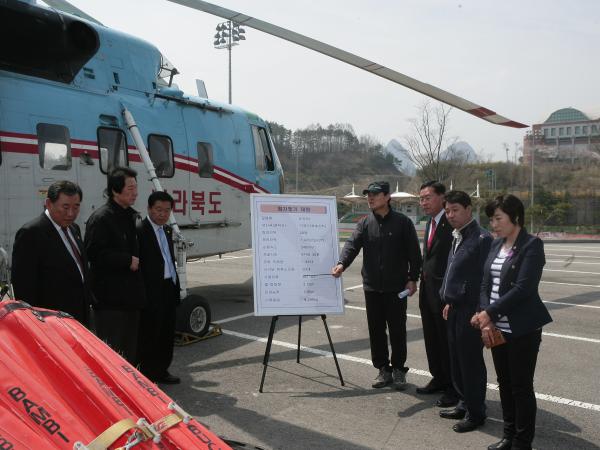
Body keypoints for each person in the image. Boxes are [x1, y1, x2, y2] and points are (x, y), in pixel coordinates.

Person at [473, 195, 552, 450]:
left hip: (521, 329)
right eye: (491, 219)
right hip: (496, 327)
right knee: (504, 384)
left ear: (515, 218)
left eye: (498, 218)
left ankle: (522, 441)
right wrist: (485, 315)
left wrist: (489, 313)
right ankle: (508, 436)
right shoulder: (496, 245)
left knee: (521, 386)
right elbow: (485, 282)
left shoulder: (532, 245)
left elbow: (523, 289)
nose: (493, 224)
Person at [332, 181, 422, 390]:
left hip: (396, 288)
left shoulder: (403, 223)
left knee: (398, 330)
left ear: (387, 196)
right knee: (376, 330)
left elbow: (414, 255)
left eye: (374, 194)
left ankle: (399, 370)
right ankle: (383, 369)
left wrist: (412, 278)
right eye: (368, 195)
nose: (370, 198)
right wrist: (341, 264)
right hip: (372, 288)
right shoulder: (365, 223)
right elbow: (352, 245)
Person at [439, 190, 492, 433]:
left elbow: (485, 279)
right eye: (447, 211)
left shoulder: (481, 239)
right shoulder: (457, 236)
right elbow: (456, 273)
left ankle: (476, 412)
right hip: (455, 307)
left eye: (455, 210)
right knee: (457, 360)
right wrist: (449, 299)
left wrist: (481, 311)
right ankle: (463, 402)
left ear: (469, 209)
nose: (450, 215)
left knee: (470, 363)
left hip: (472, 311)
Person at [85, 167, 146, 364]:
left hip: (131, 298)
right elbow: (94, 254)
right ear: (115, 190)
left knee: (130, 352)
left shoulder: (131, 216)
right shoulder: (102, 218)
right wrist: (126, 260)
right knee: (112, 353)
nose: (135, 192)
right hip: (110, 301)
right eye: (130, 188)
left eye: (136, 188)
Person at [11, 180, 91, 325]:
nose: (71, 213)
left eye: (76, 207)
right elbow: (24, 288)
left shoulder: (74, 229)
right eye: (65, 207)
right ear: (49, 203)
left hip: (78, 319)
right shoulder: (31, 233)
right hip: (51, 322)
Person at [416, 181, 458, 407]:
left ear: (442, 197)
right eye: (421, 198)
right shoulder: (430, 223)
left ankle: (453, 386)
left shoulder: (450, 222)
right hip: (428, 292)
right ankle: (438, 378)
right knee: (432, 339)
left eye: (427, 197)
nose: (423, 202)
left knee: (447, 341)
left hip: (444, 294)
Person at [136, 191, 181, 384]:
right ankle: (148, 375)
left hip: (168, 287)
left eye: (167, 210)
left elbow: (168, 260)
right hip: (151, 290)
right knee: (149, 334)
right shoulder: (140, 230)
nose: (163, 214)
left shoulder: (168, 230)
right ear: (149, 209)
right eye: (158, 210)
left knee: (167, 333)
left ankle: (162, 370)